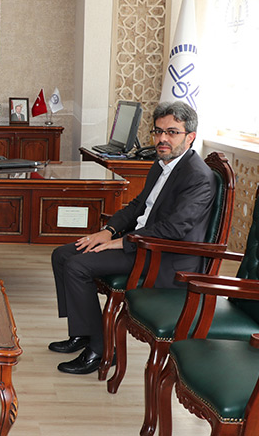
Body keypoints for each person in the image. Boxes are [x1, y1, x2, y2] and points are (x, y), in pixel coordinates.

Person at [49, 101, 215, 375]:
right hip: (141, 242)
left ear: (190, 137)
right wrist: (108, 231)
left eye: (172, 132)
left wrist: (120, 242)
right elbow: (138, 206)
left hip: (165, 256)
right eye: (158, 131)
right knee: (62, 255)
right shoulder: (161, 163)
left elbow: (174, 229)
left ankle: (101, 350)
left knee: (78, 265)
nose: (162, 139)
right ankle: (82, 333)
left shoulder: (197, 177)